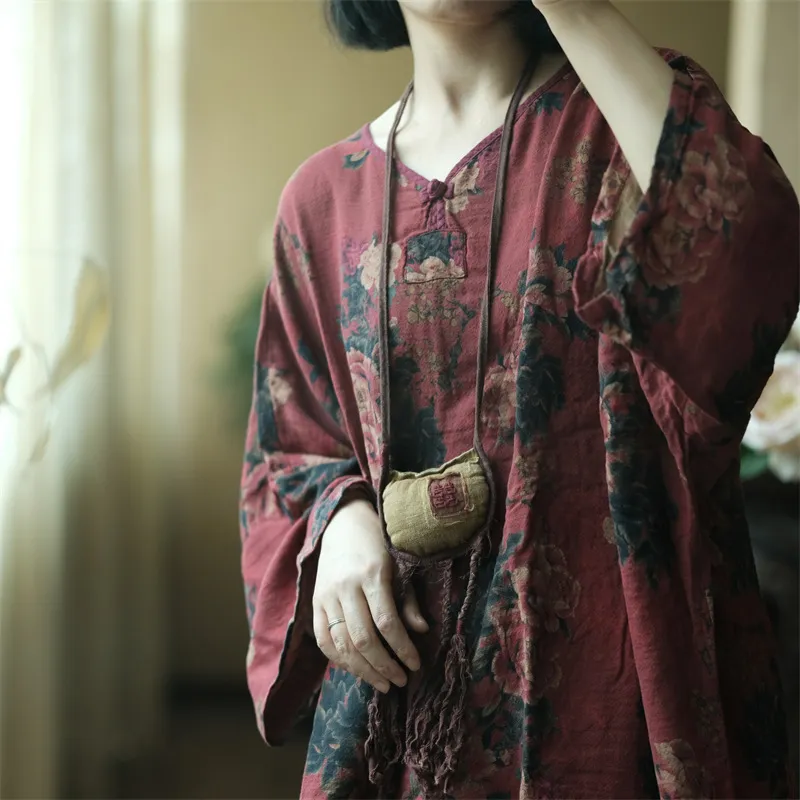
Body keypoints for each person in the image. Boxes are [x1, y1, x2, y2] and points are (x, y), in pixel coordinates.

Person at [239, 0, 799, 797]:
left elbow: (751, 253)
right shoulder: (322, 200)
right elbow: (288, 448)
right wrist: (337, 522)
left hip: (615, 704)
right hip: (397, 718)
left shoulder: (622, 128)